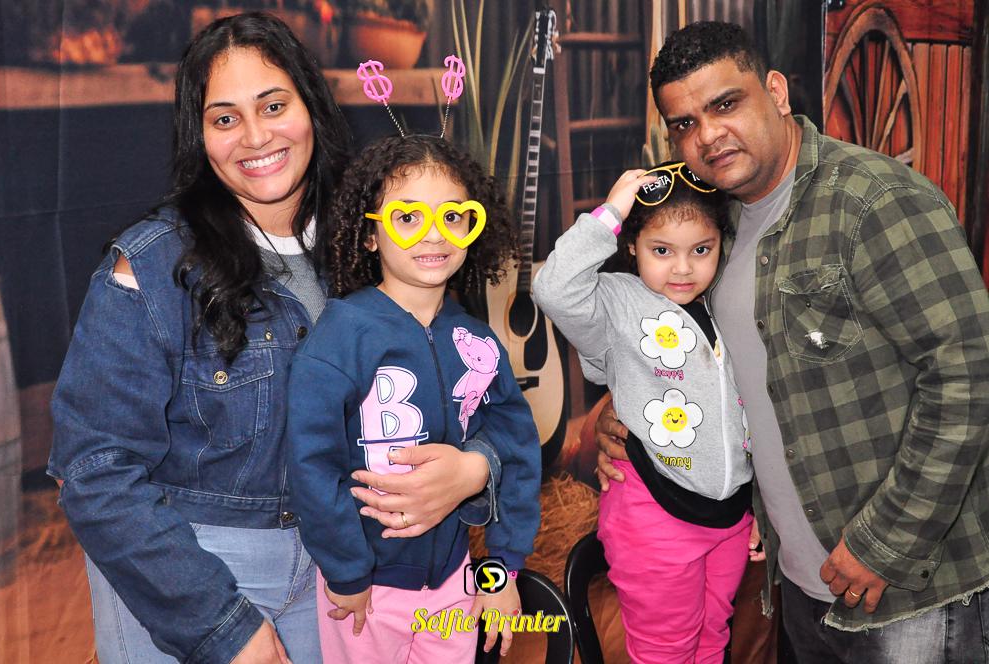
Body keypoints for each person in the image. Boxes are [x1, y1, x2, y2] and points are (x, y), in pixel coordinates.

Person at [47, 13, 502, 664]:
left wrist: (473, 469)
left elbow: (477, 393)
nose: (255, 136)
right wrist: (221, 626)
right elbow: (94, 473)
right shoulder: (149, 268)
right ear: (199, 135)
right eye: (225, 118)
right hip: (189, 577)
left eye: (273, 105)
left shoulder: (376, 245)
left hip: (339, 576)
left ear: (310, 106)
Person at [596, 20, 989, 663]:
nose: (707, 135)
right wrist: (623, 415)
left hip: (910, 589)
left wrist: (885, 543)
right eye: (685, 123)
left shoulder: (874, 200)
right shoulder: (714, 228)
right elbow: (718, 366)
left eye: (726, 103)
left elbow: (967, 375)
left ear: (776, 92)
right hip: (801, 583)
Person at [285, 134, 542, 663]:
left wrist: (501, 571)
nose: (434, 234)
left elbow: (515, 450)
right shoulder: (340, 337)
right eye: (407, 217)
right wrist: (347, 572)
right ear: (369, 235)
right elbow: (312, 466)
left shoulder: (477, 341)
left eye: (453, 216)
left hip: (454, 582)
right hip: (364, 592)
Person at [533, 162, 758, 662]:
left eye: (701, 250)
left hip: (730, 518)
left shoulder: (725, 300)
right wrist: (611, 213)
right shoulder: (613, 303)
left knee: (713, 639)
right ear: (632, 245)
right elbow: (552, 288)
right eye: (662, 251)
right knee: (664, 652)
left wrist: (758, 505)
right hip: (654, 517)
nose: (683, 268)